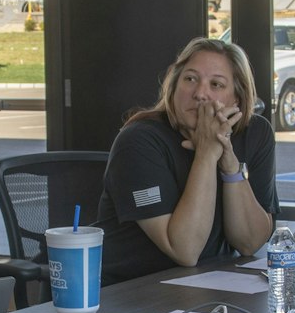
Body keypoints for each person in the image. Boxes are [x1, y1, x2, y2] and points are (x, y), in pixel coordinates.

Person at [96, 36, 278, 284]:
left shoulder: (255, 134)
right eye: (190, 79)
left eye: (216, 84)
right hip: (132, 293)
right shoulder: (139, 141)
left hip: (209, 287)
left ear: (237, 99)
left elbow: (249, 243)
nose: (200, 93)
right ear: (174, 85)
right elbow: (185, 250)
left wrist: (231, 167)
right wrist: (206, 153)